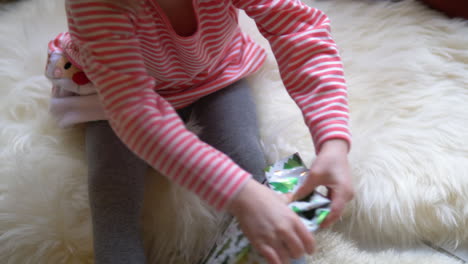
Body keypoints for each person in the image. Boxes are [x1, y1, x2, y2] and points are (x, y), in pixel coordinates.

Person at [45, 0, 354, 263]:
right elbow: (134, 113)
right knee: (112, 193)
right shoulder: (96, 6)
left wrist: (333, 139)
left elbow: (298, 28)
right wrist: (240, 194)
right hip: (112, 92)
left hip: (214, 72)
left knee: (247, 157)